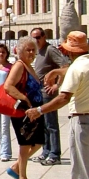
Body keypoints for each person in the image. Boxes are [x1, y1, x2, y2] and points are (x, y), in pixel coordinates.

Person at [25, 31, 89, 179]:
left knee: (82, 171)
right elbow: (79, 69)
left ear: (68, 51)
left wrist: (39, 110)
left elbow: (63, 98)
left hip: (85, 123)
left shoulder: (76, 68)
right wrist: (56, 71)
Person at [3, 36, 44, 179]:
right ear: (20, 51)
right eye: (28, 50)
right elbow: (8, 86)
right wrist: (25, 99)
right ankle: (22, 178)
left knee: (39, 142)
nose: (31, 52)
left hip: (36, 110)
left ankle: (15, 167)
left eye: (33, 50)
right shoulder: (19, 66)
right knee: (25, 143)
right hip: (24, 111)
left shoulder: (29, 66)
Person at [30, 27, 68, 166]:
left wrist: (56, 85)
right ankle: (46, 151)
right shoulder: (37, 52)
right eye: (33, 38)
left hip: (48, 93)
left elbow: (64, 66)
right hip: (38, 93)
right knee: (43, 125)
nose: (36, 40)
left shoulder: (50, 50)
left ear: (44, 36)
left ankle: (55, 154)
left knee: (51, 124)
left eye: (38, 37)